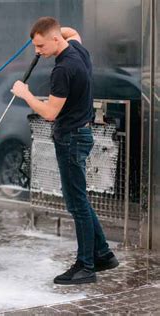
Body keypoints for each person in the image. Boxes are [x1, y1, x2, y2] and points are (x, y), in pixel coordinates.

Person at [11, 17, 119, 285]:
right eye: (35, 46)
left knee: (77, 204)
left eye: (40, 45)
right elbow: (74, 32)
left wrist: (25, 93)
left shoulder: (62, 70)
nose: (37, 52)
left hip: (71, 139)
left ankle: (86, 267)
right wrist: (51, 31)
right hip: (81, 134)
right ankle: (103, 254)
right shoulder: (78, 50)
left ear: (56, 39)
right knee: (78, 200)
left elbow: (49, 113)